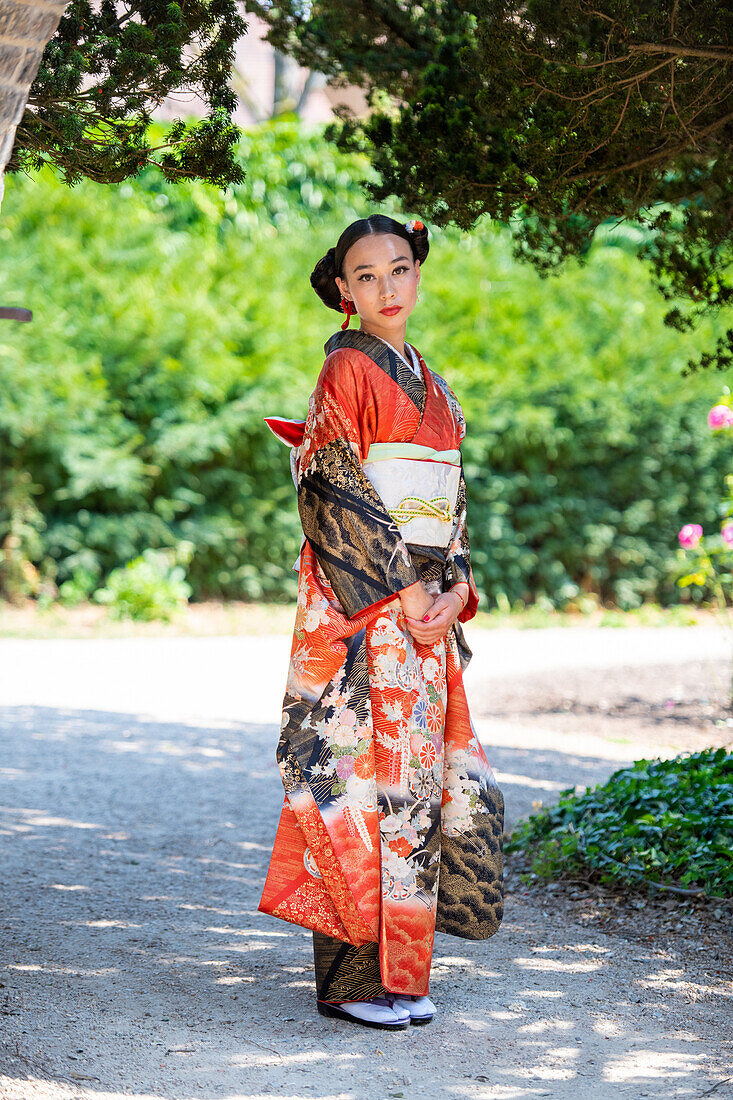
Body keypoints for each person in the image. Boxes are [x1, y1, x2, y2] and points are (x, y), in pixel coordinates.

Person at [259, 213, 504, 1030]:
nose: (387, 288)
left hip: (422, 614)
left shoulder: (436, 386)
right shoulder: (346, 375)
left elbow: (451, 509)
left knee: (417, 788)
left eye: (399, 269)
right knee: (357, 781)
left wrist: (454, 589)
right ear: (342, 290)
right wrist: (400, 588)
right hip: (364, 610)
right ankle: (354, 981)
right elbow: (331, 485)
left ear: (417, 272)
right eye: (366, 276)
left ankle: (406, 970)